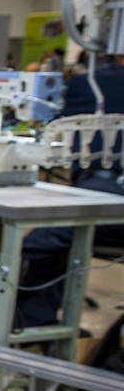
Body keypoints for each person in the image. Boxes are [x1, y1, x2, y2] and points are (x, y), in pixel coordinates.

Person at [16, 56, 124, 328]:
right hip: (103, 187)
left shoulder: (92, 83)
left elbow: (46, 118)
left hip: (106, 191)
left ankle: (35, 328)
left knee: (37, 246)